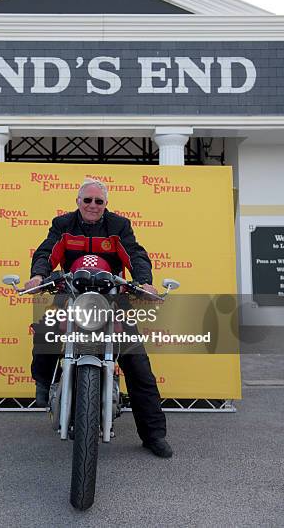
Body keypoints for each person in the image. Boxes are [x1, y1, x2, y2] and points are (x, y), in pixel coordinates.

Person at [24, 178, 172, 458]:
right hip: (71, 295)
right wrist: (39, 275)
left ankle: (153, 435)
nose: (93, 206)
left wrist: (144, 282)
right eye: (87, 200)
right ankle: (43, 381)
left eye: (99, 201)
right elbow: (47, 251)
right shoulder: (63, 224)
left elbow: (135, 254)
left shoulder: (119, 226)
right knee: (46, 332)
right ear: (78, 202)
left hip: (112, 300)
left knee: (137, 364)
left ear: (106, 204)